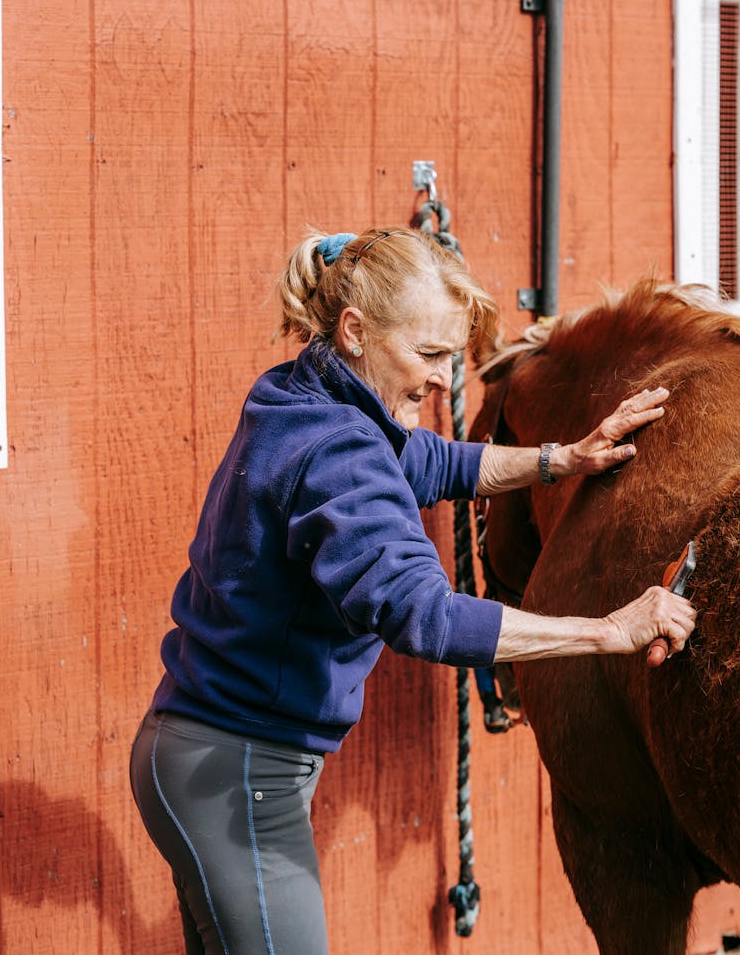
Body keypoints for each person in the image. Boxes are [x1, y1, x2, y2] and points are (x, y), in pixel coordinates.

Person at [130, 225, 696, 955]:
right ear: (356, 330)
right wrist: (606, 630)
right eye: (427, 355)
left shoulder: (305, 393)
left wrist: (563, 458)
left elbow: (430, 460)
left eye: (450, 358)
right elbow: (423, 616)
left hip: (202, 755)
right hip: (238, 775)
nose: (439, 379)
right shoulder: (338, 451)